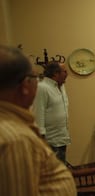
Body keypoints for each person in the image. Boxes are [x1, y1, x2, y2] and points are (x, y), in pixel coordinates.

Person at [0, 45, 76, 195]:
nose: (38, 80)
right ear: (25, 86)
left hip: (61, 135)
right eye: (34, 76)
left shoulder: (14, 128)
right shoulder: (16, 141)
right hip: (51, 138)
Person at [32, 61, 70, 163]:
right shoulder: (42, 88)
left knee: (61, 167)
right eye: (65, 71)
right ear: (55, 74)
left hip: (61, 137)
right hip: (50, 140)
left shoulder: (61, 86)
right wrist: (42, 139)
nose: (67, 74)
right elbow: (38, 113)